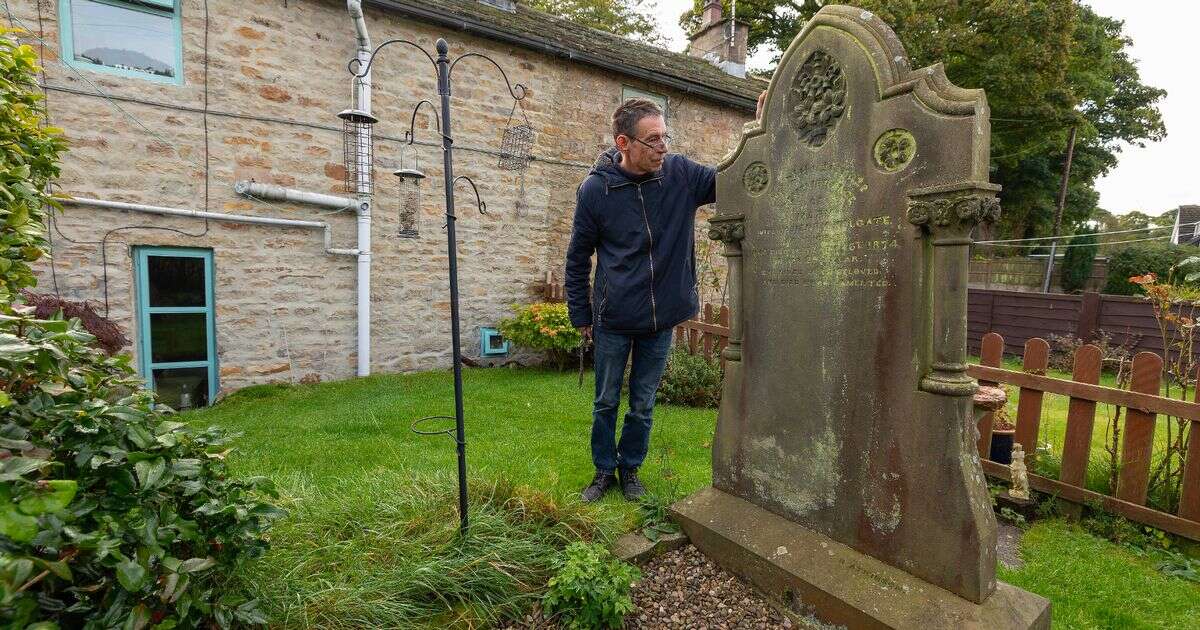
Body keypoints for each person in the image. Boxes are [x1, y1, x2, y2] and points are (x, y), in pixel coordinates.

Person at [565, 94, 764, 502]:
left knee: (642, 403)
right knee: (605, 402)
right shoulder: (595, 191)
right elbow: (578, 256)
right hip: (614, 318)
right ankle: (603, 471)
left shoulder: (680, 175)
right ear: (624, 143)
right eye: (653, 140)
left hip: (661, 319)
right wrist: (580, 312)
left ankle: (630, 469)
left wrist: (759, 131)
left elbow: (733, 179)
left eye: (665, 137)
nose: (663, 147)